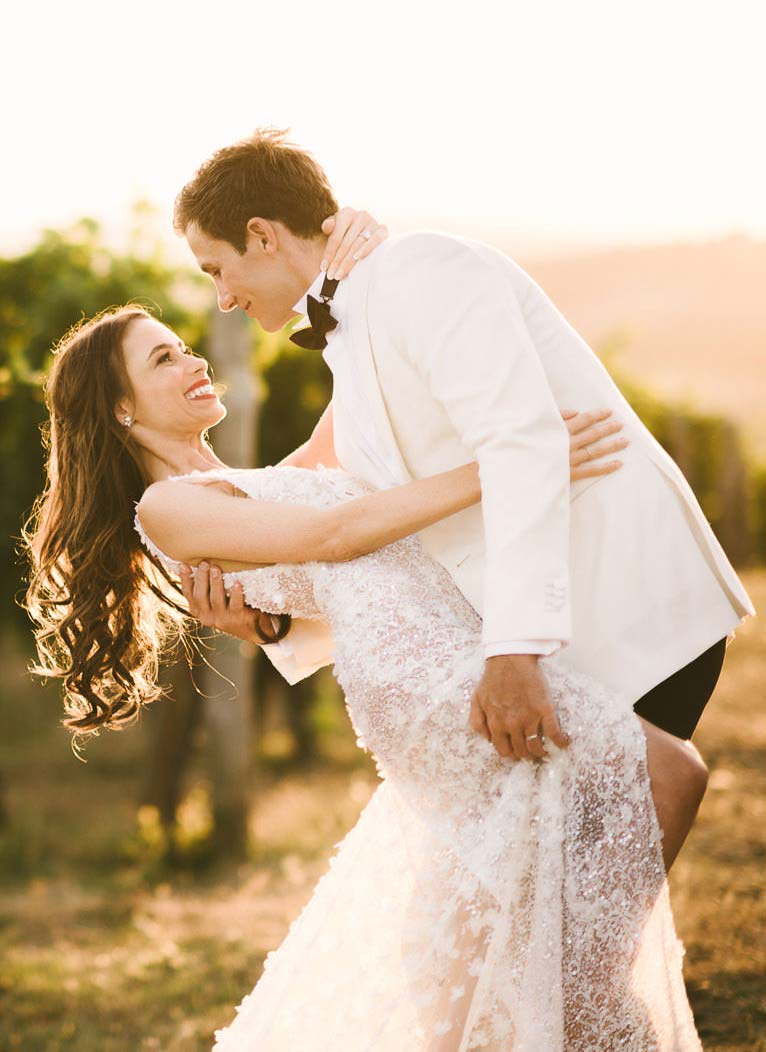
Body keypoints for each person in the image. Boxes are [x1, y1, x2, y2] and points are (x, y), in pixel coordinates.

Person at [25, 300, 704, 1048]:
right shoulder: (165, 508)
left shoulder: (253, 479)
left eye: (186, 347)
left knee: (481, 914)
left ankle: (564, 1013)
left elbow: (357, 407)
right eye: (163, 359)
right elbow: (336, 535)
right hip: (420, 681)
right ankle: (579, 1009)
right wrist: (515, 463)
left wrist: (353, 288)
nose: (194, 362)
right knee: (666, 773)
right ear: (120, 408)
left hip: (442, 653)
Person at [174, 129, 754, 869]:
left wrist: (513, 651)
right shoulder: (351, 341)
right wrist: (263, 607)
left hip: (620, 603)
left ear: (260, 235)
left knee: (574, 895)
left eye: (216, 268)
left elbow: (520, 445)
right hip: (562, 630)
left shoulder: (421, 271)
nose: (222, 297)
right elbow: (354, 522)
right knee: (541, 903)